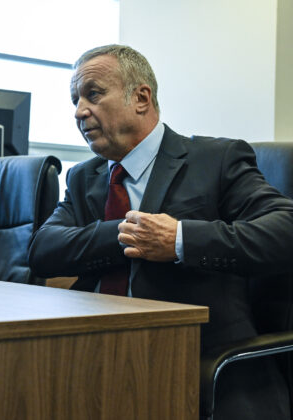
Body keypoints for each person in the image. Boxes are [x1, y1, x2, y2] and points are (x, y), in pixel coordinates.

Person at [28, 44, 293, 419]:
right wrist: (127, 233)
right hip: (97, 358)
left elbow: (285, 230)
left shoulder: (215, 160)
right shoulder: (85, 176)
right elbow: (43, 250)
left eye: (93, 94)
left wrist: (181, 240)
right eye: (75, 100)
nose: (79, 111)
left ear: (141, 98)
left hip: (198, 363)